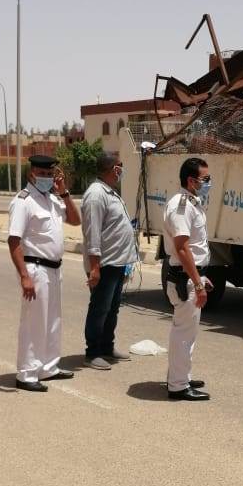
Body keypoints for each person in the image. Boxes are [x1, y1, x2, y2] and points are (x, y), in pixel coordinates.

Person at [7, 155, 81, 392]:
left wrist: (64, 193)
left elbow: (75, 220)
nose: (47, 178)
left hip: (54, 268)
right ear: (32, 174)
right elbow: (14, 241)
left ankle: (48, 367)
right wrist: (24, 276)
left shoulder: (52, 199)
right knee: (34, 323)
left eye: (50, 174)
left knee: (52, 321)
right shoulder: (23, 201)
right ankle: (26, 373)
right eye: (43, 174)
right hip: (35, 269)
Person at [81, 153, 137, 370]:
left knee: (112, 309)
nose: (122, 170)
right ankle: (93, 352)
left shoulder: (109, 191)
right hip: (104, 264)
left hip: (117, 262)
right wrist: (95, 267)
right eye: (120, 166)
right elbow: (92, 234)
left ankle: (107, 346)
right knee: (100, 308)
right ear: (114, 168)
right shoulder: (96, 195)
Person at [163, 157, 213, 401]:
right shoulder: (180, 206)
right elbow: (182, 248)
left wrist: (201, 276)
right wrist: (197, 282)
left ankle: (181, 376)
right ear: (191, 181)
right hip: (184, 279)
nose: (209, 183)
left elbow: (194, 246)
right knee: (183, 333)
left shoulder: (192, 203)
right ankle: (178, 386)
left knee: (188, 333)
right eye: (206, 179)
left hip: (190, 275)